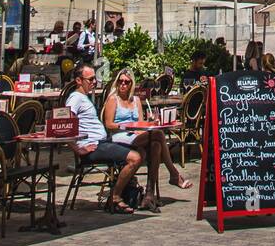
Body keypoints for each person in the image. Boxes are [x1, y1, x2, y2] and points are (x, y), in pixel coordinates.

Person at [102, 68, 192, 213]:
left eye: (126, 82)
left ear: (131, 84)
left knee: (156, 144)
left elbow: (141, 122)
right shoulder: (113, 99)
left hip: (135, 135)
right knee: (159, 135)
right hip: (120, 135)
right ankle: (174, 174)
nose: (123, 85)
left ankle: (149, 194)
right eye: (120, 81)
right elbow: (109, 124)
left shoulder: (136, 100)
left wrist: (149, 121)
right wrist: (126, 126)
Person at [65, 62, 143, 214]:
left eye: (95, 79)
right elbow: (65, 124)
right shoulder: (75, 98)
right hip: (94, 146)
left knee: (143, 148)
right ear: (79, 80)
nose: (94, 82)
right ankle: (115, 196)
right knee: (135, 158)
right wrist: (77, 149)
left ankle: (138, 193)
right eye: (91, 79)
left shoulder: (83, 97)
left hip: (101, 143)